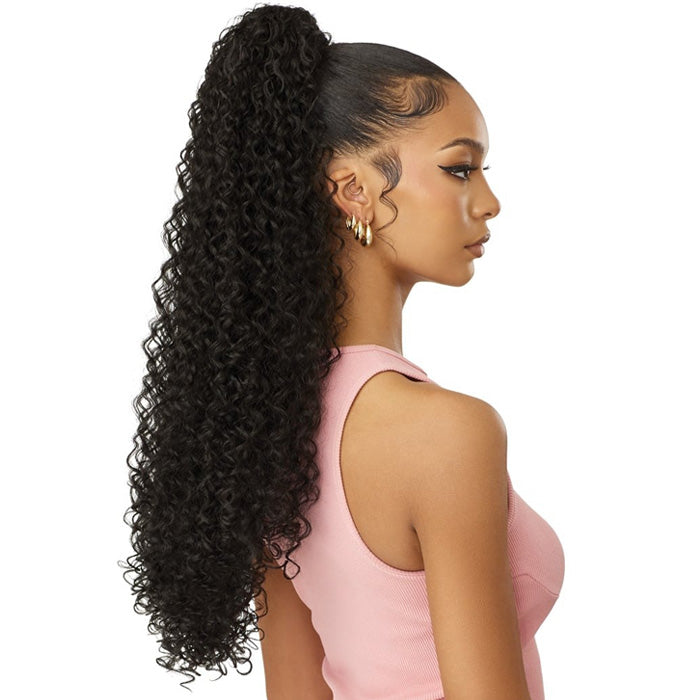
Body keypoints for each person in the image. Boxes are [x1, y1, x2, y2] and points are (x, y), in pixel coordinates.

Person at [121, 4, 565, 699]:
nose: (489, 202)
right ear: (355, 190)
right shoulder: (446, 433)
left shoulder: (264, 426)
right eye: (459, 169)